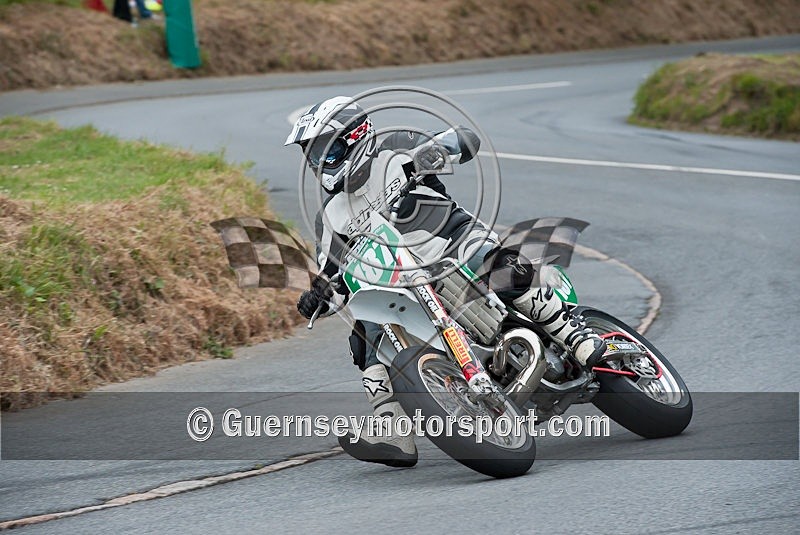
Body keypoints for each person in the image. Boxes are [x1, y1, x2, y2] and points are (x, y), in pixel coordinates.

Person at [285, 96, 606, 467]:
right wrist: (318, 295)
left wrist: (441, 149)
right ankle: (393, 425)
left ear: (355, 135)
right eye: (312, 154)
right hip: (401, 281)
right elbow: (332, 273)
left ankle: (573, 335)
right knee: (363, 330)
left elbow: (464, 139)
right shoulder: (333, 215)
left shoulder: (397, 148)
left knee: (497, 265)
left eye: (327, 149)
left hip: (451, 243)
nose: (319, 161)